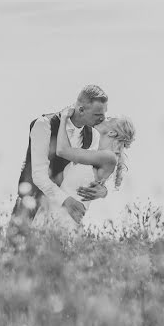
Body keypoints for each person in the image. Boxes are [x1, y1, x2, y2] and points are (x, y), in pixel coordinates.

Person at [11, 85, 110, 223]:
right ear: (81, 110)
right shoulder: (44, 125)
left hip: (62, 216)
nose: (103, 119)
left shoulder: (93, 136)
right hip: (30, 205)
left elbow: (88, 173)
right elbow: (38, 176)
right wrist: (65, 201)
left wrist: (102, 190)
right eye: (98, 115)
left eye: (104, 114)